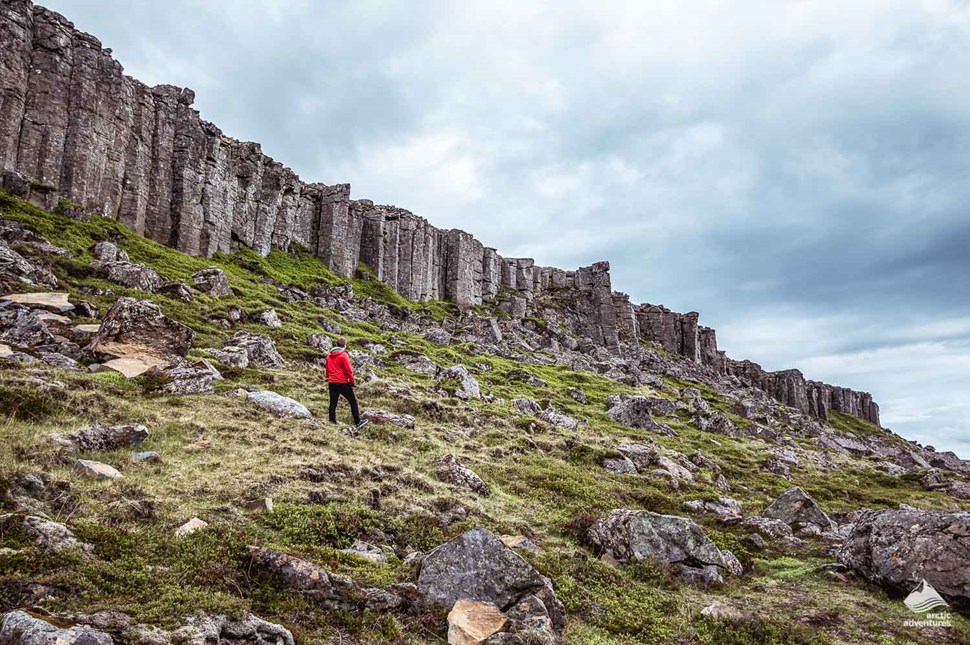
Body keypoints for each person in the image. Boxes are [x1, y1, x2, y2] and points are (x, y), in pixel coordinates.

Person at [325, 338, 368, 428]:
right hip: (342, 382)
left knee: (333, 402)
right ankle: (358, 421)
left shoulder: (329, 356)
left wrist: (329, 378)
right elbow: (348, 370)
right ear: (345, 345)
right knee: (353, 401)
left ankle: (332, 421)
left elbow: (327, 369)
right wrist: (352, 381)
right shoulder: (343, 355)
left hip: (332, 382)